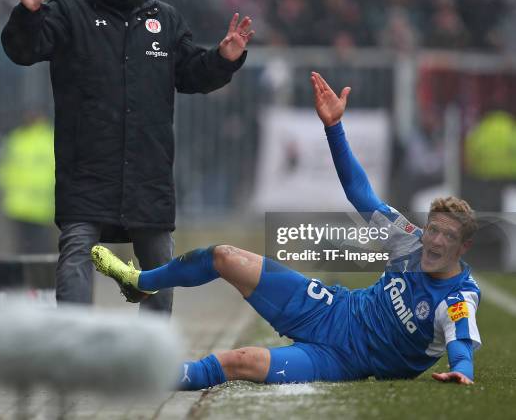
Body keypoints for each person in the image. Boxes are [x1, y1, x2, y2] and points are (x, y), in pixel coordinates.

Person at [92, 72, 481, 388]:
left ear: (462, 247)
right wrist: (334, 127)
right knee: (224, 256)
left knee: (237, 362)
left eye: (447, 237)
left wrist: (461, 370)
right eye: (433, 231)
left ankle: (142, 376)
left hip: (344, 359)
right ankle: (141, 281)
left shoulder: (459, 296)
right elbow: (359, 192)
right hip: (332, 309)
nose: (434, 241)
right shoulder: (408, 239)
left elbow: (460, 341)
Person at [1, 0, 254, 311]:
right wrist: (29, 13)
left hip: (147, 172)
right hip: (87, 168)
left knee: (160, 268)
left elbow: (192, 75)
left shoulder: (164, 20)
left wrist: (224, 59)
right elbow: (23, 49)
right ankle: (75, 343)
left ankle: (151, 357)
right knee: (75, 253)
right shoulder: (70, 13)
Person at [0, 111, 55, 254]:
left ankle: (37, 275)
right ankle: (30, 275)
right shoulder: (16, 138)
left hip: (39, 207)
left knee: (38, 248)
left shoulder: (49, 138)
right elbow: (5, 167)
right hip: (19, 205)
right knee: (23, 248)